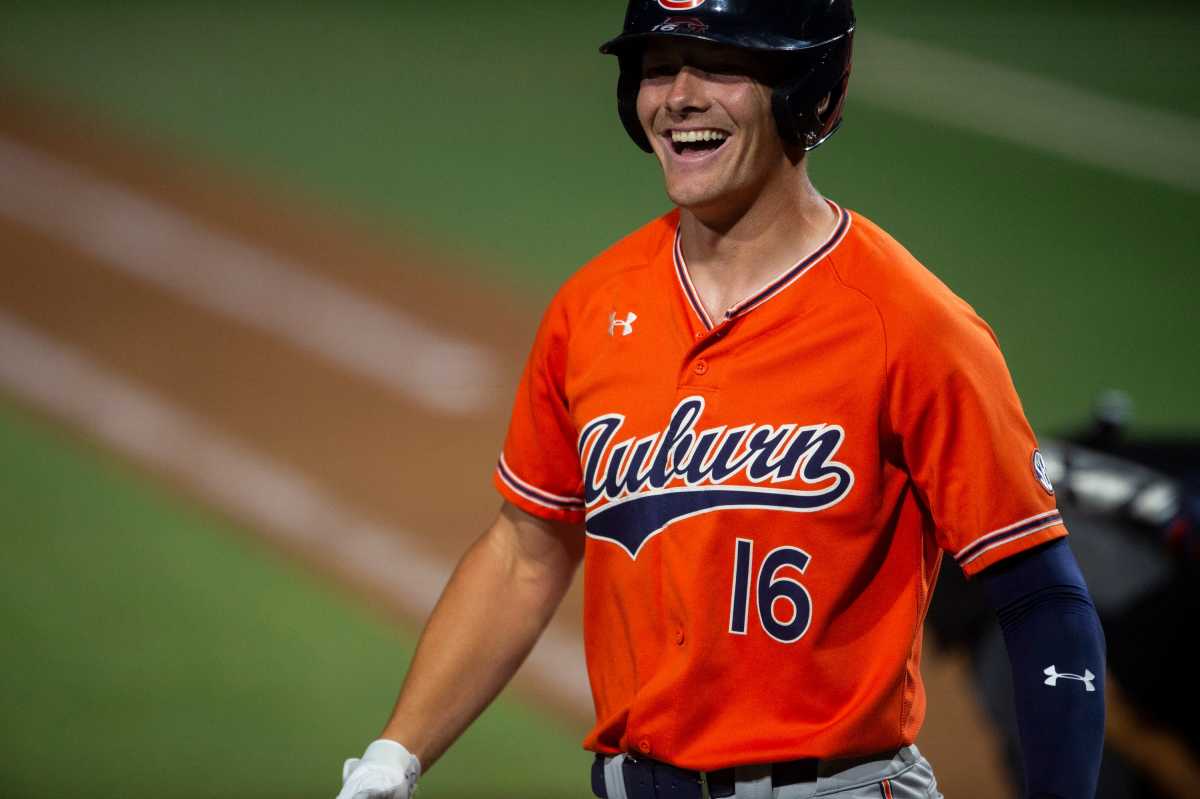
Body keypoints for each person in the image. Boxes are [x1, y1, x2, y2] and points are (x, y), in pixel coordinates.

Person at [336, 2, 1107, 797]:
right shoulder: (593, 306)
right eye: (660, 66)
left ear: (806, 88)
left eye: (723, 65)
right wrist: (398, 751)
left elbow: (1041, 597)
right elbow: (525, 552)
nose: (679, 95)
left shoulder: (913, 325)